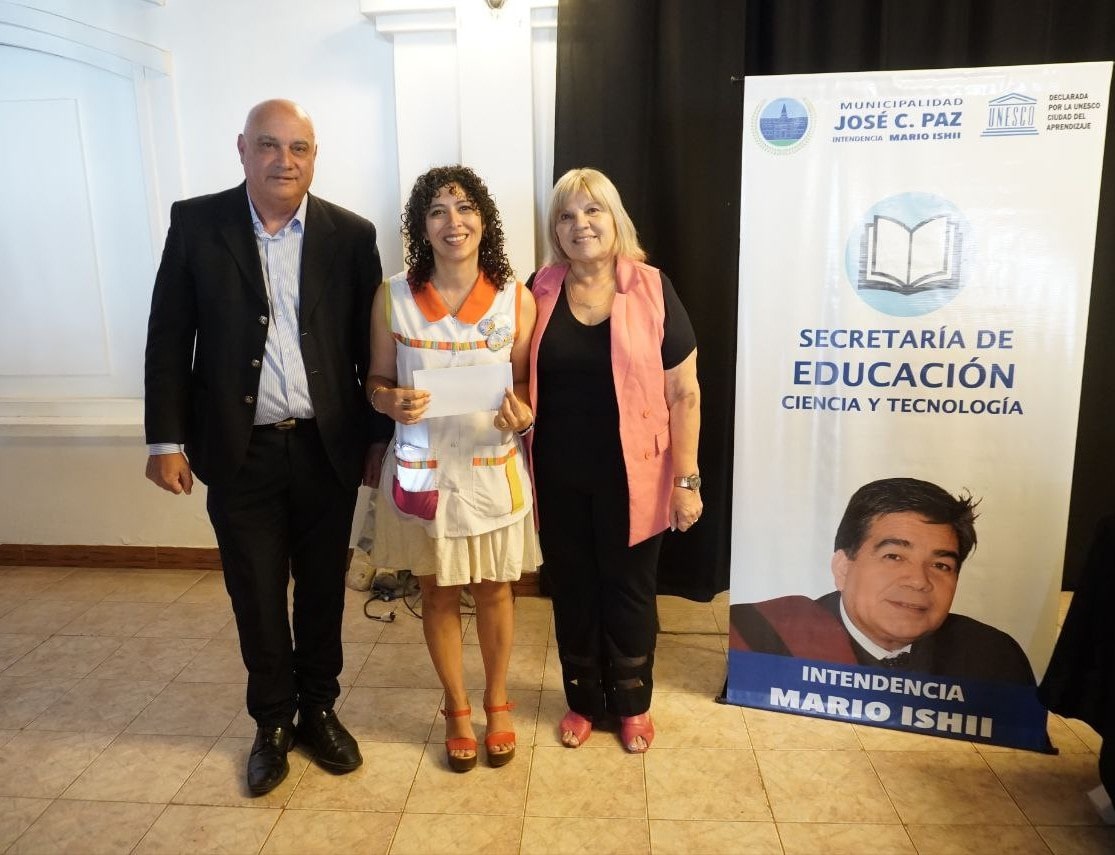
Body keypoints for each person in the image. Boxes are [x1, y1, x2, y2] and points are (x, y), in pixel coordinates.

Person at [144, 99, 382, 796]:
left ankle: (320, 711)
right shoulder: (198, 225)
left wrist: (376, 440)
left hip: (326, 449)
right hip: (237, 450)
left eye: (299, 147)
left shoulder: (351, 235)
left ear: (314, 156)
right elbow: (168, 338)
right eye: (270, 145)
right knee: (255, 593)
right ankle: (272, 721)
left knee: (322, 592)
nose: (285, 160)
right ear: (242, 149)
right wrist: (165, 439)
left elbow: (370, 350)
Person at [366, 165, 540, 772]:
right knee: (436, 592)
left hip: (492, 467)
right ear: (422, 227)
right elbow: (376, 380)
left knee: (494, 589)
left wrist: (523, 413)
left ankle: (497, 702)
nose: (453, 222)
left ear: (484, 220)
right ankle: (457, 707)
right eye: (437, 211)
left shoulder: (516, 297)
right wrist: (388, 401)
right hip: (424, 470)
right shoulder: (393, 296)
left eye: (465, 208)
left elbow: (525, 384)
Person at [528, 168, 702, 753]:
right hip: (557, 473)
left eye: (592, 211)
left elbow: (684, 393)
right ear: (555, 229)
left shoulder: (651, 287)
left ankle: (632, 704)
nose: (580, 225)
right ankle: (583, 700)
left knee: (628, 592)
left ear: (615, 218)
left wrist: (686, 480)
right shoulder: (538, 289)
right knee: (573, 589)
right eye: (566, 215)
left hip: (637, 475)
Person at [729, 477, 1036, 685]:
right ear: (843, 568)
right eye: (894, 556)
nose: (919, 581)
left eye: (941, 565)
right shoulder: (763, 636)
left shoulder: (993, 658)